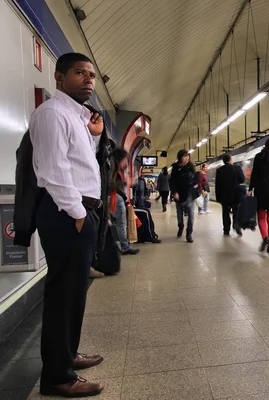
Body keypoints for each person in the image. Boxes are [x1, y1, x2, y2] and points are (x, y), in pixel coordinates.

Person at [28, 52, 105, 397]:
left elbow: (78, 161)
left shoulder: (76, 117)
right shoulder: (52, 114)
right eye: (79, 73)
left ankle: (67, 355)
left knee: (74, 294)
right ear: (59, 78)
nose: (88, 80)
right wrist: (77, 214)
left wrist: (95, 135)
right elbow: (53, 171)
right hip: (66, 213)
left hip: (76, 212)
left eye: (91, 75)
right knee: (63, 296)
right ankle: (57, 376)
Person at [109, 149, 140, 255]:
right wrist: (124, 182)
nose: (126, 163)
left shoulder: (115, 168)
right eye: (125, 160)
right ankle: (124, 247)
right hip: (115, 197)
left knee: (116, 223)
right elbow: (109, 184)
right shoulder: (112, 167)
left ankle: (119, 245)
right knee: (121, 223)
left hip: (115, 198)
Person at [170, 150, 198, 242]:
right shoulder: (175, 168)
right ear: (180, 157)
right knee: (179, 214)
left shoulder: (191, 167)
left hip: (190, 194)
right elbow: (172, 181)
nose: (187, 158)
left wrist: (196, 184)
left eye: (188, 156)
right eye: (184, 156)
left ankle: (189, 233)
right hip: (179, 194)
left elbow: (196, 177)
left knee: (191, 214)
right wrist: (175, 192)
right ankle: (180, 227)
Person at [215, 154, 245, 236]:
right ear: (230, 160)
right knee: (236, 210)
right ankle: (236, 224)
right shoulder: (237, 168)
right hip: (236, 194)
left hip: (224, 195)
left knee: (225, 212)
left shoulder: (219, 170)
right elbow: (242, 180)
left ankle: (226, 230)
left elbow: (218, 185)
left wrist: (218, 197)